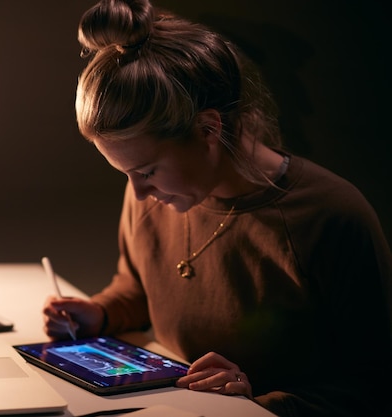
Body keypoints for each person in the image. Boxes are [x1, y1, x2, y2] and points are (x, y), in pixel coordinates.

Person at [42, 1, 392, 416]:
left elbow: (375, 386)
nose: (137, 193)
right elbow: (137, 288)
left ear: (209, 128)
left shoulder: (329, 217)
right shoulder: (153, 195)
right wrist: (99, 314)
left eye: (148, 171)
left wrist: (254, 403)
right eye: (126, 174)